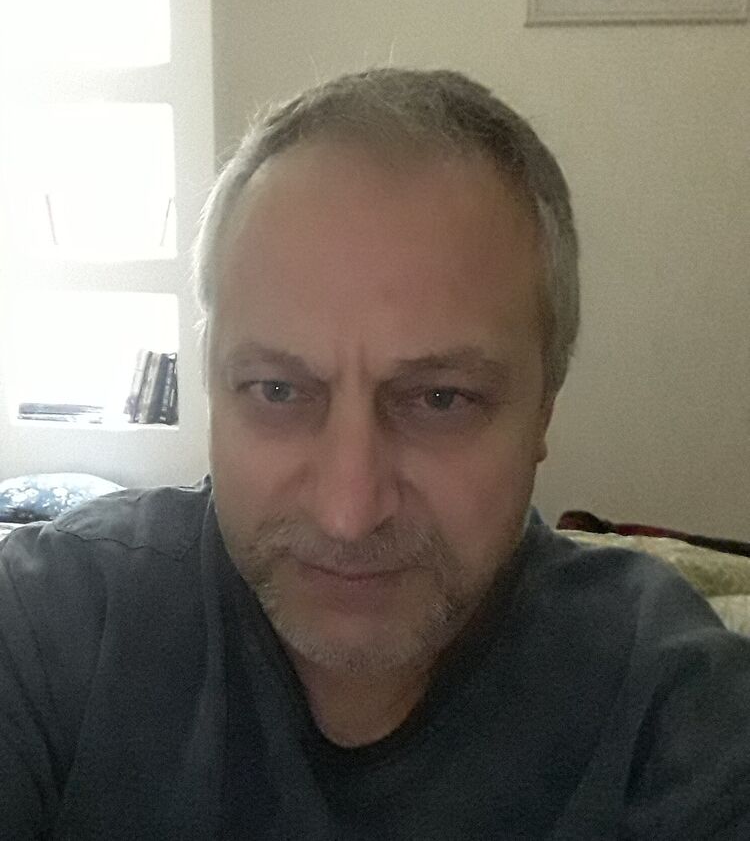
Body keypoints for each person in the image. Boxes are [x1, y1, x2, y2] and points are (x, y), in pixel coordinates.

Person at [1, 68, 749, 838]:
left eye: (441, 399)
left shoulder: (670, 709)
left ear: (543, 412)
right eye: (278, 391)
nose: (348, 512)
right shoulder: (54, 629)